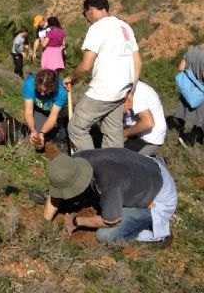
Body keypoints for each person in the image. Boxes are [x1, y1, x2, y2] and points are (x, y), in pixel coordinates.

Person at [43, 150, 177, 246]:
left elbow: (111, 221)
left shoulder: (108, 183)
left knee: (105, 236)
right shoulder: (76, 161)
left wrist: (77, 221)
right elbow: (55, 194)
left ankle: (157, 232)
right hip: (143, 170)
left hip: (158, 198)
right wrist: (44, 224)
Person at [64, 0, 142, 151]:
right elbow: (138, 62)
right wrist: (131, 92)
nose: (86, 19)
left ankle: (90, 169)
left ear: (91, 10)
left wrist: (71, 78)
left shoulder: (97, 28)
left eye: (85, 14)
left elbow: (86, 65)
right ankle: (112, 171)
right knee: (113, 135)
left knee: (76, 128)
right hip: (122, 91)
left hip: (104, 90)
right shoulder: (125, 27)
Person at [23, 69, 68, 152]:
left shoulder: (61, 92)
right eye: (39, 90)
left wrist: (42, 132)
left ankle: (61, 137)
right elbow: (28, 111)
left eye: (46, 91)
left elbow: (53, 116)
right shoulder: (29, 84)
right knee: (37, 139)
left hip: (57, 111)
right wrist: (33, 131)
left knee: (61, 123)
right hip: (39, 109)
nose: (42, 94)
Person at [123, 80, 166, 156]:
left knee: (123, 161)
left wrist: (124, 134)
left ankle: (157, 162)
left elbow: (148, 123)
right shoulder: (127, 87)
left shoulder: (136, 92)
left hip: (148, 137)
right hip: (136, 132)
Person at [174, 43, 204, 146]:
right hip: (200, 92)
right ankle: (189, 140)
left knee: (184, 115)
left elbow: (181, 68)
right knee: (200, 118)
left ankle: (180, 136)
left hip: (188, 90)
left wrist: (191, 78)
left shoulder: (191, 50)